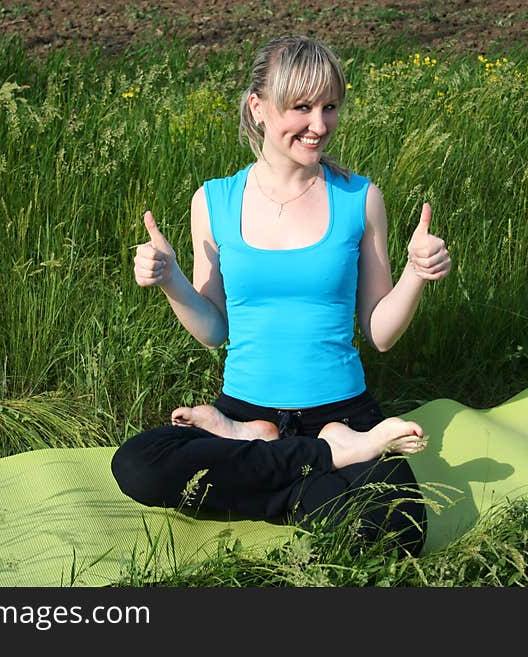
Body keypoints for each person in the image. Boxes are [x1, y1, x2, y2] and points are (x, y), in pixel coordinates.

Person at [111, 35, 451, 556]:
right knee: (137, 464)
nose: (319, 125)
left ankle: (278, 459)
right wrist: (170, 280)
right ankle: (319, 457)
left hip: (344, 409)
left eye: (330, 106)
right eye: (302, 107)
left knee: (399, 528)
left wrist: (415, 273)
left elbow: (380, 334)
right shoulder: (215, 199)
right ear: (259, 109)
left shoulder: (361, 198)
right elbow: (213, 330)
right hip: (242, 413)